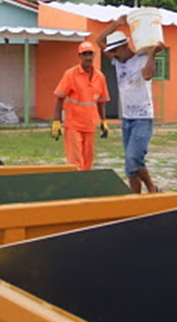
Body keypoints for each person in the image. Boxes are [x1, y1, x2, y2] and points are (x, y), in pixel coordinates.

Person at [96, 15, 165, 193]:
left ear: (124, 47)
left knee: (134, 158)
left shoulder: (141, 59)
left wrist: (151, 54)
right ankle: (135, 197)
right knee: (129, 166)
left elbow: (148, 75)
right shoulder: (117, 61)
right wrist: (117, 24)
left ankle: (152, 188)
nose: (112, 54)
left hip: (142, 118)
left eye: (115, 51)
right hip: (127, 118)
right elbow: (98, 40)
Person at [51, 41, 110, 171]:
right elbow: (59, 99)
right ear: (80, 56)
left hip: (89, 125)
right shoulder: (70, 74)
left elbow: (101, 102)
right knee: (75, 161)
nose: (88, 57)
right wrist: (56, 122)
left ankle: (85, 188)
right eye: (85, 54)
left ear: (94, 55)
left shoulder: (99, 77)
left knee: (87, 161)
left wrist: (103, 121)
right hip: (73, 125)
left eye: (90, 54)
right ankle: (76, 187)